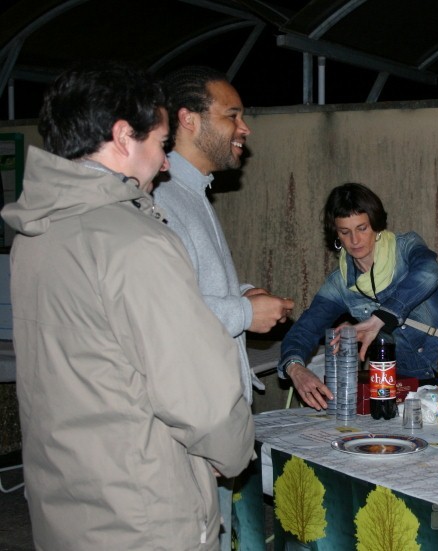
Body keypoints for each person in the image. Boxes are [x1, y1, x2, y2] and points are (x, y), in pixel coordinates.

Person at [0, 63, 253, 550]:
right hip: (143, 512)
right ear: (122, 137)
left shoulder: (34, 235)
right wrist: (234, 451)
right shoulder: (136, 242)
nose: (164, 164)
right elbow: (196, 392)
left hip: (66, 503)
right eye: (160, 144)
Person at [153, 65, 294, 550]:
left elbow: (191, 285)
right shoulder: (165, 197)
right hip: (191, 428)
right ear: (188, 120)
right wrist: (242, 314)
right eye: (232, 115)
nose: (245, 128)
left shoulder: (192, 193)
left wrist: (244, 293)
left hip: (207, 423)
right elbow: (164, 315)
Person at [278, 182, 438, 409]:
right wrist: (295, 368)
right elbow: (306, 328)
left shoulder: (405, 248)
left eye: (362, 228)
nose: (354, 240)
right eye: (345, 232)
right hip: (412, 383)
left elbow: (429, 272)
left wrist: (383, 316)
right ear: (336, 235)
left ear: (375, 224)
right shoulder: (339, 284)